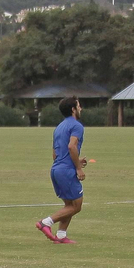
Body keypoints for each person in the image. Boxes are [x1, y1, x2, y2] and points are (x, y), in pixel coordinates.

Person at [37, 97, 86, 245]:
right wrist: (77, 168)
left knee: (69, 205)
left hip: (56, 169)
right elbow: (71, 147)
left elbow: (55, 153)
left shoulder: (59, 127)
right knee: (76, 206)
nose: (81, 108)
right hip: (66, 171)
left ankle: (61, 236)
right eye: (79, 105)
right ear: (73, 109)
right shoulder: (77, 126)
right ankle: (45, 222)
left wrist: (75, 162)